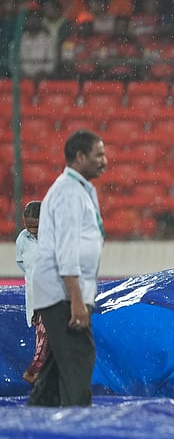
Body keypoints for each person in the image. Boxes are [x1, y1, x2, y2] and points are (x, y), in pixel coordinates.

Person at [26, 130, 107, 407]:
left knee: (57, 365)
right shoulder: (69, 193)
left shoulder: (78, 189)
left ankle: (38, 414)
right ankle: (77, 423)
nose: (104, 161)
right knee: (79, 356)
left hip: (64, 291)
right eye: (99, 155)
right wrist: (75, 300)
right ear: (80, 157)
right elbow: (67, 251)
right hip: (62, 293)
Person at [16, 201, 48, 385]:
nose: (32, 229)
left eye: (36, 225)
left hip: (54, 296)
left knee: (49, 338)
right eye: (29, 225)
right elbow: (21, 264)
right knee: (43, 339)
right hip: (35, 299)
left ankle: (35, 374)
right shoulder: (22, 240)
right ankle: (36, 375)